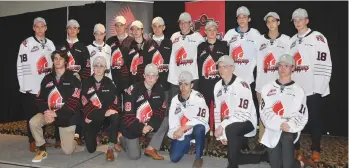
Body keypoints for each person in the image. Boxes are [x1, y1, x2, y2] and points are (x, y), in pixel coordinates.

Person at [288, 8, 332, 162]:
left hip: (313, 88)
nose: (298, 22)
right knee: (295, 119)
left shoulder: (317, 38)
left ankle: (316, 149)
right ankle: (295, 148)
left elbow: (324, 64)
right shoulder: (291, 40)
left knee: (314, 120)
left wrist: (319, 88)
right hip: (296, 89)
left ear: (307, 20)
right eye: (295, 20)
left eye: (301, 19)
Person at [260, 54, 317, 168]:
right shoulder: (267, 88)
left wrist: (289, 125)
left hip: (289, 129)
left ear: (293, 68)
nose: (282, 68)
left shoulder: (299, 90)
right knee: (277, 165)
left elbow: (301, 114)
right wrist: (278, 123)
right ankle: (301, 163)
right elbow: (264, 111)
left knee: (286, 140)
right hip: (273, 128)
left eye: (286, 65)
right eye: (280, 65)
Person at [30, 50, 81, 162]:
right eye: (55, 58)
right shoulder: (47, 78)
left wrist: (56, 113)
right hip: (49, 114)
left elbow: (74, 102)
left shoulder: (73, 78)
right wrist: (46, 112)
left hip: (67, 117)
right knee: (33, 122)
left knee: (68, 151)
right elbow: (39, 99)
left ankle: (75, 138)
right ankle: (42, 149)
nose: (57, 61)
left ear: (66, 61)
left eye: (60, 58)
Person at [222, 6, 261, 153]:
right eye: (239, 17)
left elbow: (260, 55)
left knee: (246, 111)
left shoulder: (256, 34)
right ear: (237, 19)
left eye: (245, 17)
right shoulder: (230, 34)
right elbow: (223, 52)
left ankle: (244, 140)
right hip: (232, 80)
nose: (242, 19)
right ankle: (233, 138)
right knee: (232, 109)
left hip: (248, 80)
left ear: (249, 19)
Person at [252, 12, 291, 155]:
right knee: (264, 114)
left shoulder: (286, 40)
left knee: (279, 113)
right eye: (268, 21)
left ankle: (280, 141)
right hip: (262, 84)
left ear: (278, 22)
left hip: (280, 85)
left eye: (273, 21)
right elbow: (253, 61)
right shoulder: (259, 40)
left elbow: (290, 63)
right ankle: (262, 141)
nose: (270, 23)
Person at [17, 17, 55, 152]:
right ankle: (32, 141)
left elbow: (55, 64)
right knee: (31, 115)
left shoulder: (50, 44)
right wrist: (23, 84)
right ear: (33, 28)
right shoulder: (26, 43)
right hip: (31, 86)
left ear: (46, 28)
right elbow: (20, 65)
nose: (39, 29)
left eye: (42, 26)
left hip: (46, 88)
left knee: (43, 114)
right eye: (37, 27)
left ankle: (41, 139)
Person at [213, 56, 257, 168]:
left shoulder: (242, 85)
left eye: (225, 67)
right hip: (228, 125)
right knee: (236, 156)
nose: (221, 70)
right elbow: (217, 111)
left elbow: (242, 114)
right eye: (219, 67)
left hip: (246, 121)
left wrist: (223, 127)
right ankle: (264, 157)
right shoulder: (217, 86)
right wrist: (220, 134)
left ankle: (232, 166)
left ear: (233, 68)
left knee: (230, 129)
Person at [120, 64, 166, 160]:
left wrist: (150, 125)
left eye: (153, 75)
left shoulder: (160, 89)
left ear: (157, 77)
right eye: (148, 75)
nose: (150, 78)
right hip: (133, 125)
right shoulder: (132, 89)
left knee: (166, 121)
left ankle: (150, 148)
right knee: (135, 156)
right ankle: (121, 138)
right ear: (144, 76)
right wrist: (141, 127)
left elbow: (161, 111)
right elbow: (128, 117)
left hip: (148, 123)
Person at [81, 56, 121, 161]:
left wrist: (107, 112)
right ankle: (97, 134)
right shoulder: (85, 82)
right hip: (92, 118)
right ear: (93, 68)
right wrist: (102, 113)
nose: (98, 69)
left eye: (101, 66)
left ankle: (111, 147)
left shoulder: (110, 83)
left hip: (105, 118)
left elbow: (115, 103)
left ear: (105, 68)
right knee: (90, 149)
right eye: (96, 66)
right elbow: (84, 103)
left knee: (115, 116)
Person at [142, 16, 172, 156]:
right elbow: (144, 65)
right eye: (154, 26)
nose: (157, 28)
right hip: (151, 84)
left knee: (165, 113)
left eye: (160, 26)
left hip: (166, 84)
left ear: (164, 27)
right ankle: (150, 136)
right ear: (152, 28)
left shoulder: (170, 42)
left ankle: (160, 139)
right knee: (152, 110)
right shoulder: (147, 44)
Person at [58, 19, 91, 146]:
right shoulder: (60, 47)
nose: (72, 30)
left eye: (74, 28)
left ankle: (78, 134)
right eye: (69, 28)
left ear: (78, 30)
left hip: (78, 84)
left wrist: (80, 78)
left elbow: (87, 68)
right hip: (62, 85)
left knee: (79, 108)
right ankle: (59, 137)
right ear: (66, 30)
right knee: (62, 107)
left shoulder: (83, 48)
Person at [168, 71, 209, 168]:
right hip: (184, 133)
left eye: (186, 84)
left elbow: (201, 119)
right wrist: (175, 133)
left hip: (196, 129)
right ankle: (189, 143)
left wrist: (182, 129)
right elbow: (172, 121)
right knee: (174, 158)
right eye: (180, 84)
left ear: (192, 85)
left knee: (200, 128)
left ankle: (199, 157)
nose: (183, 87)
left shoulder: (198, 97)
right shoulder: (175, 100)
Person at [197, 21, 228, 142]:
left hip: (219, 83)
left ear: (217, 31)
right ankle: (204, 133)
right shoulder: (200, 46)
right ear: (205, 31)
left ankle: (219, 134)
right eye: (209, 30)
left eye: (214, 29)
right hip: (204, 83)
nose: (211, 32)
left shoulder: (224, 45)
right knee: (204, 109)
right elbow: (198, 66)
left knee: (219, 110)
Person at [167, 12, 205, 102]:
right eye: (181, 23)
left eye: (185, 22)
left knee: (192, 104)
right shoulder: (174, 36)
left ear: (190, 23)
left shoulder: (198, 37)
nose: (183, 25)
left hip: (192, 78)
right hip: (175, 78)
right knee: (175, 105)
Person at [106, 16, 134, 96]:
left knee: (127, 105)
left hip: (128, 79)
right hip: (113, 78)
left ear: (125, 26)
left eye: (121, 25)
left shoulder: (132, 41)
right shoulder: (110, 41)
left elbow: (135, 60)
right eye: (117, 25)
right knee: (115, 105)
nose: (119, 28)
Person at [128, 20, 147, 85]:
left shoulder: (149, 45)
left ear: (142, 30)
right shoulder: (128, 47)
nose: (135, 31)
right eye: (133, 29)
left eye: (138, 29)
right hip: (133, 81)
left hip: (146, 81)